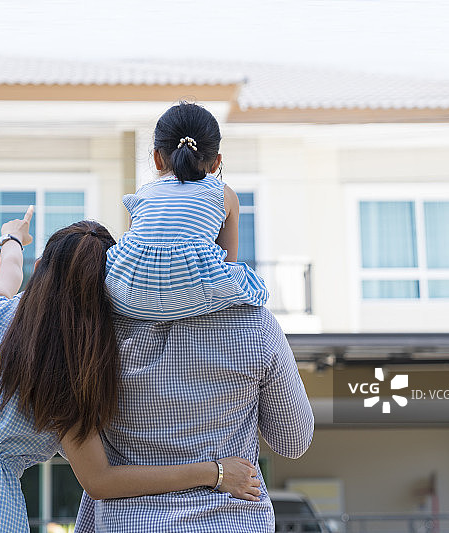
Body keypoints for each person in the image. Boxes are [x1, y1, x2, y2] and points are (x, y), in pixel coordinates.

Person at [0, 208, 261, 532]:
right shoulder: (65, 369)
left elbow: (9, 271)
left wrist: (11, 238)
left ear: (41, 269)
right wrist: (216, 473)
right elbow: (100, 480)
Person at [73, 103, 314, 532]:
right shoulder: (255, 328)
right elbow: (293, 441)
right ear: (217, 162)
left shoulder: (95, 327)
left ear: (156, 160)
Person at [104, 101, 270, 321]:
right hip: (194, 295)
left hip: (129, 298)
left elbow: (137, 250)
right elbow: (229, 262)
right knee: (250, 281)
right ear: (216, 163)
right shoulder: (224, 194)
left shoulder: (142, 194)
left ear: (156, 157)